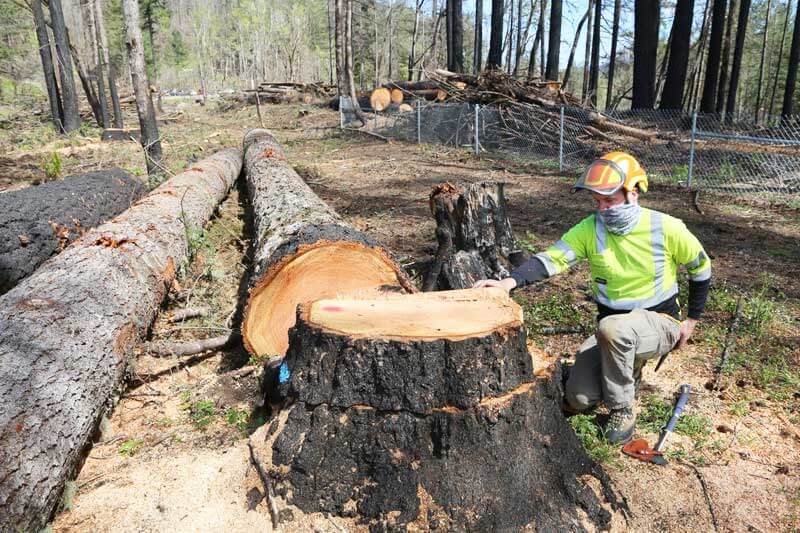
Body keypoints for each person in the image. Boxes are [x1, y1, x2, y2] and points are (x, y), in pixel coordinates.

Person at [474, 152, 711, 444]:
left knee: (614, 330)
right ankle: (626, 372)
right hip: (613, 327)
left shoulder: (665, 227)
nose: (602, 209)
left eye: (609, 201)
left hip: (659, 322)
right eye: (597, 202)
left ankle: (622, 408)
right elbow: (553, 259)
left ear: (633, 194)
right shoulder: (591, 229)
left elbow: (701, 268)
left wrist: (692, 320)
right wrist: (507, 283)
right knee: (578, 398)